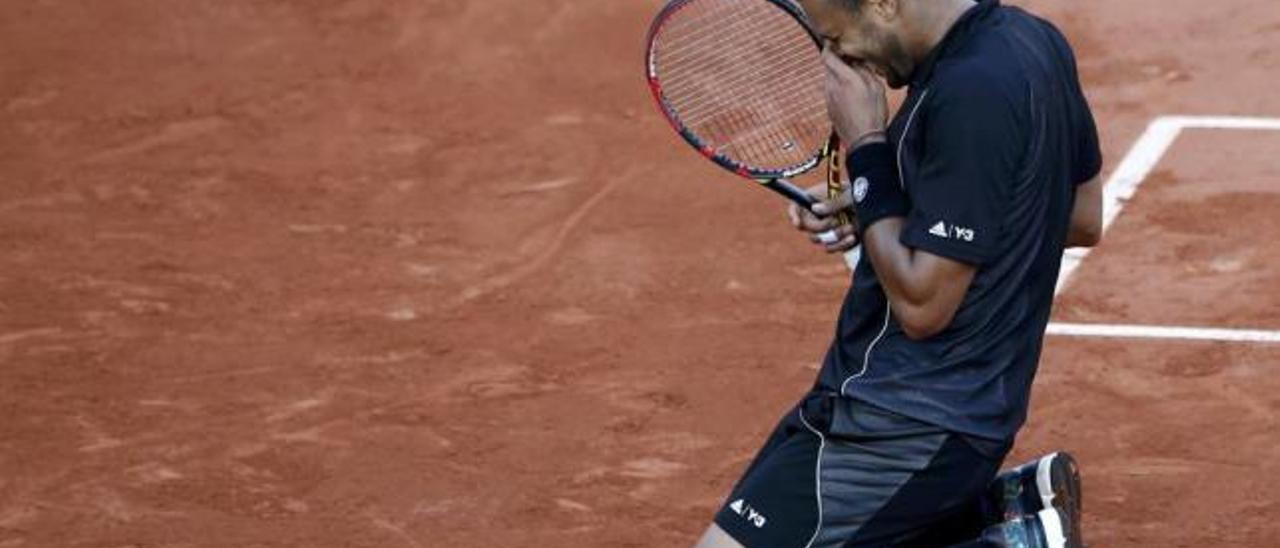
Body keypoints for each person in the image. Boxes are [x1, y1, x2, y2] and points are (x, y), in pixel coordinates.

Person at [695, 0, 1103, 546]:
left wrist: (867, 147)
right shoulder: (1033, 42)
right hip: (954, 406)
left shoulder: (970, 93)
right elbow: (1077, 215)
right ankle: (1002, 512)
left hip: (900, 421)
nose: (838, 63)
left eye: (837, 40)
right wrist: (881, 205)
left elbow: (923, 306)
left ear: (885, 5)